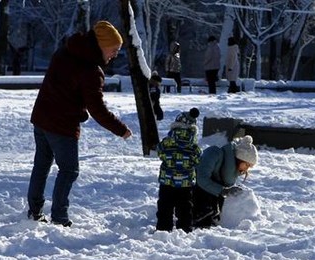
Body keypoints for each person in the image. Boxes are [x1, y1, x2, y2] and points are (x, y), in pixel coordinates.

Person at [27, 21, 133, 227]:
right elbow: (97, 110)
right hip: (61, 125)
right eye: (114, 49)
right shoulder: (91, 71)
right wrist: (121, 129)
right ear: (101, 45)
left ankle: (34, 211)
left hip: (41, 118)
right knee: (69, 170)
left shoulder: (65, 51)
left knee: (41, 165)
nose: (115, 54)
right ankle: (59, 217)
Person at [193, 135, 258, 228]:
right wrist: (222, 190)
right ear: (241, 159)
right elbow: (201, 178)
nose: (247, 169)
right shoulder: (215, 153)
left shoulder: (231, 170)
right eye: (247, 165)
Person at [156, 108, 202, 232]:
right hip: (185, 182)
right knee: (185, 207)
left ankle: (163, 229)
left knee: (165, 205)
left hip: (167, 180)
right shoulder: (194, 146)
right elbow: (198, 160)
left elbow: (159, 152)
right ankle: (185, 229)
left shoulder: (167, 141)